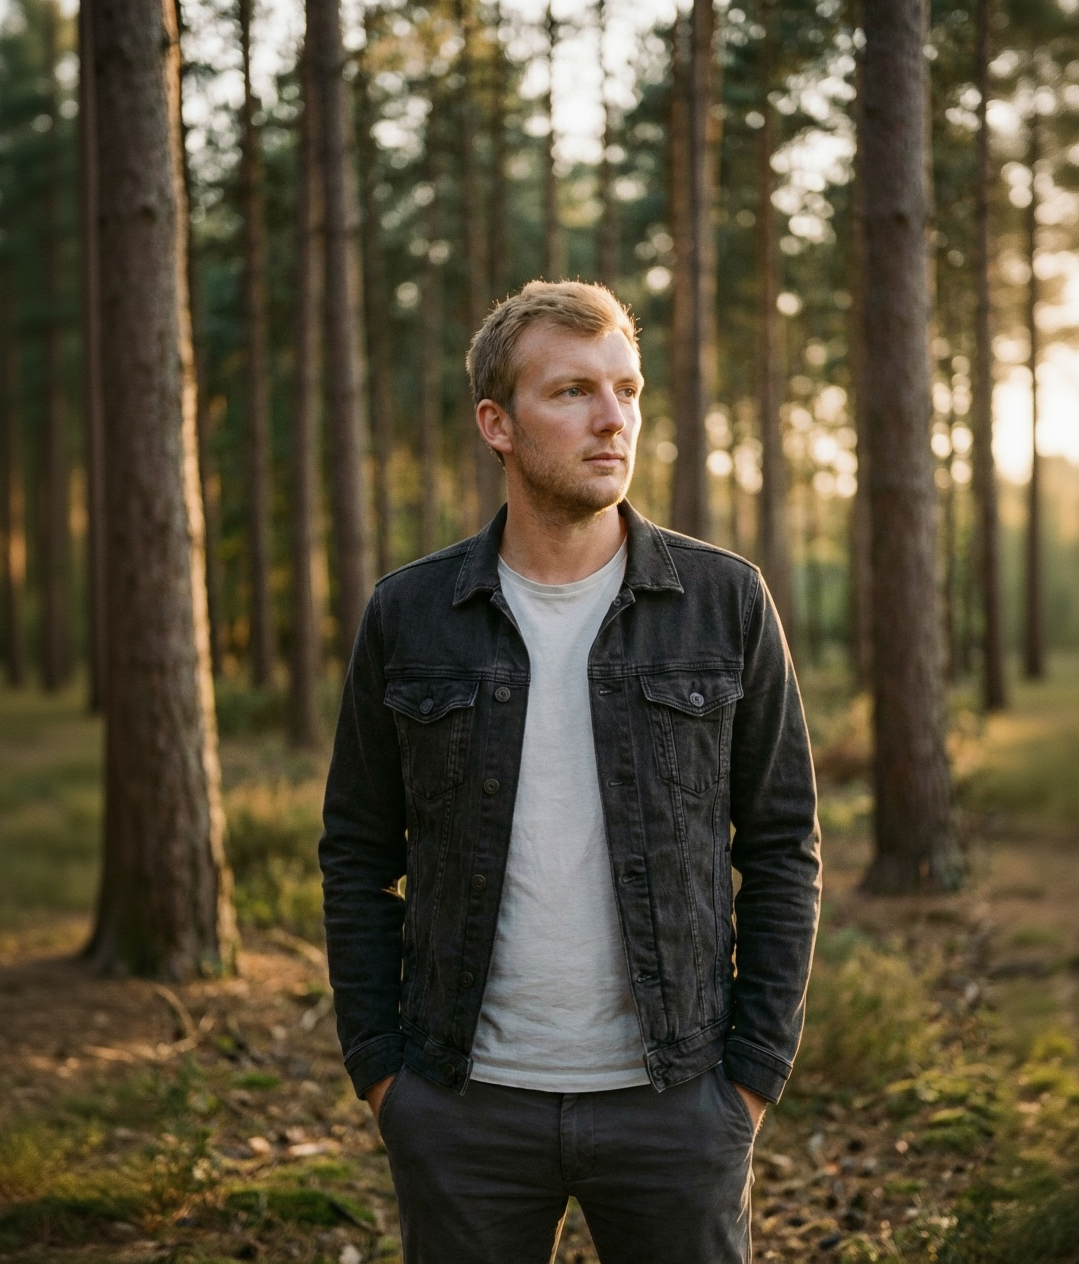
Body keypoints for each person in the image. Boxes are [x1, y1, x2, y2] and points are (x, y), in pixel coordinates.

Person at [320, 280, 820, 1264]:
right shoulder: (410, 615)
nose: (612, 419)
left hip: (676, 1105)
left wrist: (750, 1077)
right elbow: (356, 854)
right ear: (495, 422)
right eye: (573, 392)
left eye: (627, 390)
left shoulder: (723, 602)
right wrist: (385, 1076)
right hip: (463, 1108)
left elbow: (781, 846)